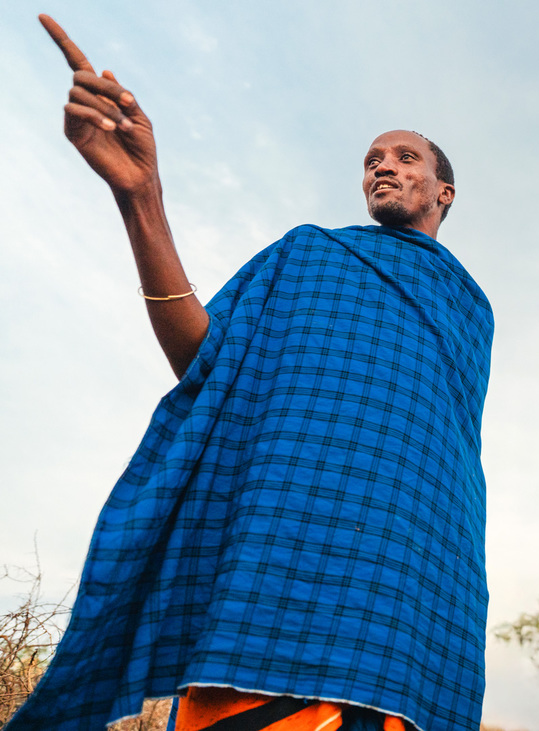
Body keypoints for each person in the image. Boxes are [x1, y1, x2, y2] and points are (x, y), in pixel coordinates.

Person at [10, 16, 493, 731]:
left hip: (402, 593)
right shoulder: (307, 257)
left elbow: (442, 460)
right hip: (272, 580)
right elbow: (208, 364)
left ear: (444, 191)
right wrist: (140, 197)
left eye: (405, 156)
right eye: (371, 158)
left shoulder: (470, 309)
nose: (383, 166)